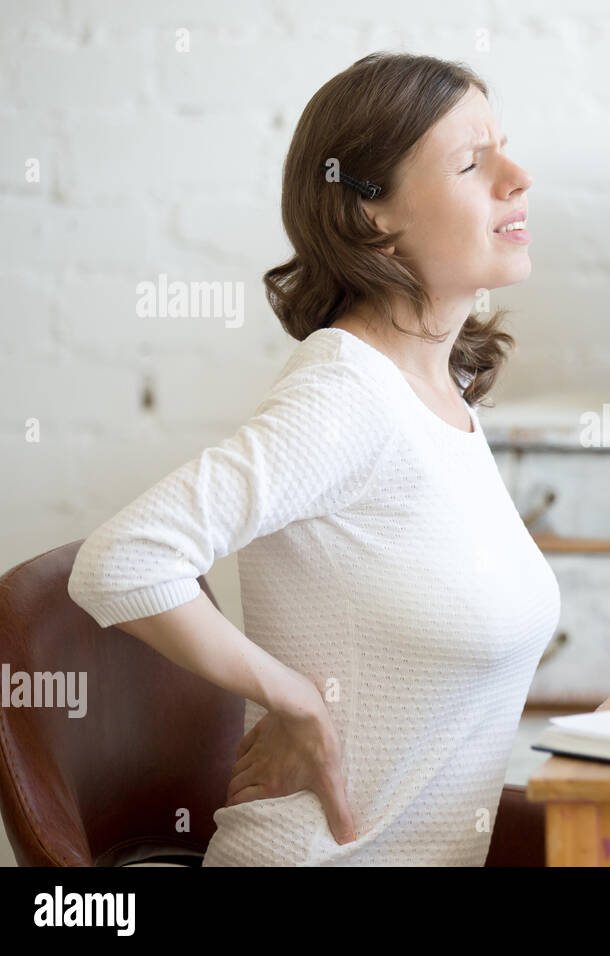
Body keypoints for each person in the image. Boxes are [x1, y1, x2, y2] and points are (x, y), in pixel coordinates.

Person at [66, 52, 559, 865]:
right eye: (473, 163)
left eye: (504, 148)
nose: (518, 177)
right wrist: (292, 698)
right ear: (372, 214)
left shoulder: (440, 392)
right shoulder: (348, 392)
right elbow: (120, 562)